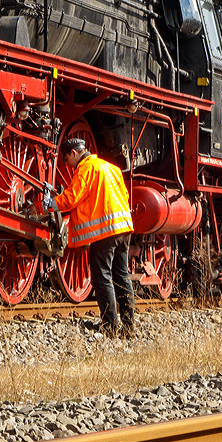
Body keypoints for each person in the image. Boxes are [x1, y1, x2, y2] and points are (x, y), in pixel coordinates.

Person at [56, 138, 135, 337]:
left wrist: (45, 205)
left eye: (66, 160)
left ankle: (110, 327)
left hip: (105, 232)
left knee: (102, 277)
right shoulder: (111, 167)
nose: (67, 165)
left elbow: (70, 199)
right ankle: (128, 327)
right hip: (124, 228)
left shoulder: (85, 169)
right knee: (122, 276)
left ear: (74, 153)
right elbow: (124, 195)